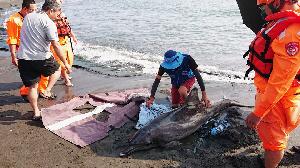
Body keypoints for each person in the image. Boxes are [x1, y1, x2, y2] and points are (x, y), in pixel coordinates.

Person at [245, 0, 300, 167]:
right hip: (275, 95)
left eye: (263, 7)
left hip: (277, 100)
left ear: (276, 3)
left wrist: (258, 112)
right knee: (277, 136)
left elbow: (281, 81)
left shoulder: (290, 33)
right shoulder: (282, 23)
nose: (263, 12)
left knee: (274, 145)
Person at [17, 0, 72, 120]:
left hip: (23, 58)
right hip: (41, 58)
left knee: (32, 87)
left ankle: (36, 112)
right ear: (50, 10)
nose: (58, 16)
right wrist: (66, 63)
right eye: (57, 13)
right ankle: (47, 91)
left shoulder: (28, 16)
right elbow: (56, 45)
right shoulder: (49, 23)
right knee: (57, 69)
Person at [5, 0, 50, 100]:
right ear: (24, 9)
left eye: (35, 10)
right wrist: (13, 55)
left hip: (37, 49)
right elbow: (12, 39)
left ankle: (42, 90)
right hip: (24, 52)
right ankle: (26, 92)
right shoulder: (14, 20)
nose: (34, 12)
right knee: (31, 76)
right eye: (31, 10)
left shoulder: (32, 17)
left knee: (44, 72)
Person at [146, 50, 211, 109]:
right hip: (175, 83)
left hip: (188, 78)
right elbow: (157, 81)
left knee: (182, 90)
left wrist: (204, 94)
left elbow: (198, 75)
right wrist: (152, 97)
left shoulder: (187, 59)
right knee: (174, 106)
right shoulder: (163, 66)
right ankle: (186, 102)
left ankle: (191, 106)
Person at [51, 0, 78, 86]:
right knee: (61, 62)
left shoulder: (63, 15)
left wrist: (73, 36)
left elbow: (68, 27)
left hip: (66, 40)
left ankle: (64, 74)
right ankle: (66, 80)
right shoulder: (50, 16)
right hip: (57, 42)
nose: (62, 1)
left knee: (70, 59)